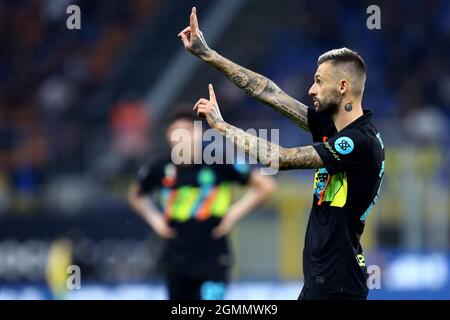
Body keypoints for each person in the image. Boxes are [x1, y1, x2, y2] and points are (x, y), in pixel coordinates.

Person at [179, 7, 385, 300]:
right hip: (324, 281)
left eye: (318, 81)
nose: (311, 89)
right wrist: (208, 54)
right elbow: (270, 93)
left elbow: (277, 158)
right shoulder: (337, 128)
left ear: (342, 87)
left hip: (338, 286)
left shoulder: (357, 142)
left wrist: (222, 127)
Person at [128, 110, 276, 300]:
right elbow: (135, 195)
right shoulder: (159, 167)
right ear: (168, 135)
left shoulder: (219, 161)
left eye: (188, 130)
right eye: (176, 131)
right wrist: (155, 220)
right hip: (176, 257)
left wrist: (233, 214)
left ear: (200, 133)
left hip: (213, 255)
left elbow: (266, 186)